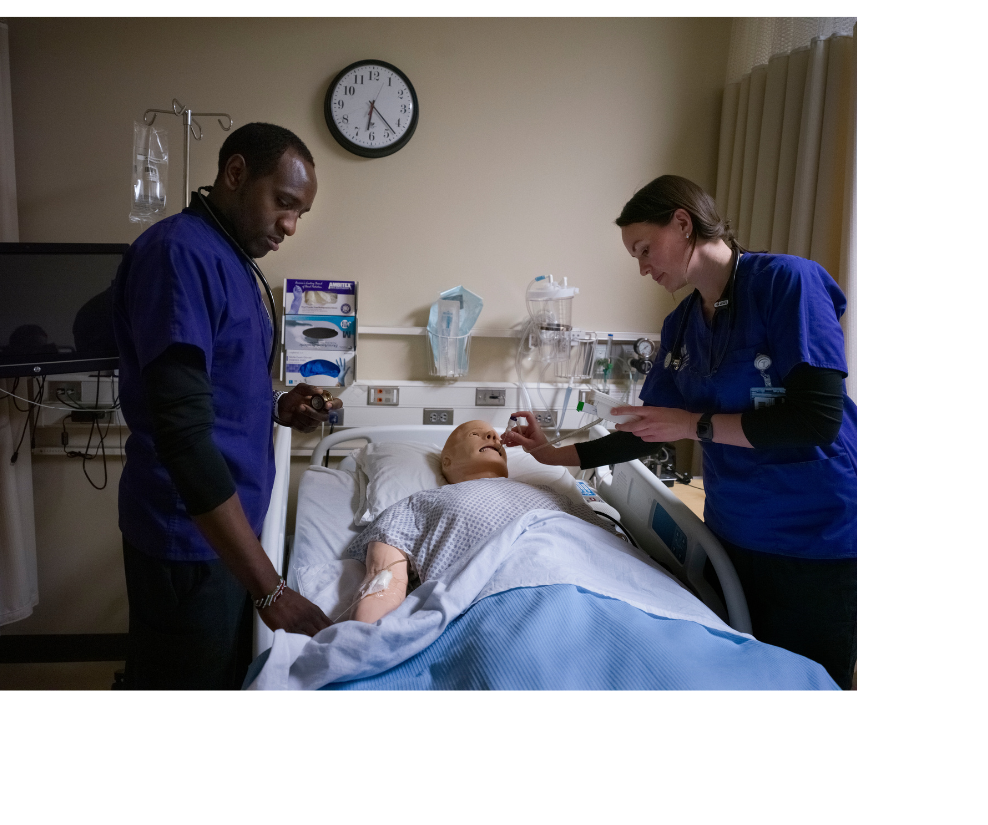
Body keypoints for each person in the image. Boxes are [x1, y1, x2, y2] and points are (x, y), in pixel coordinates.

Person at [502, 174, 857, 689]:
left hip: (816, 534)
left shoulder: (788, 283)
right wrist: (552, 454)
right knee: (751, 681)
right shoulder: (683, 326)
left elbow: (816, 419)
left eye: (645, 250)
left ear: (684, 223)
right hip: (734, 529)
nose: (644, 268)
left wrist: (694, 425)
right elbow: (647, 429)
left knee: (812, 682)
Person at [113, 122, 340, 689]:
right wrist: (271, 588)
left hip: (225, 531)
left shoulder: (233, 259)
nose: (290, 226)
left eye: (300, 214)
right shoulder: (179, 255)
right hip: (189, 538)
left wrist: (281, 404)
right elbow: (184, 435)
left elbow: (221, 381)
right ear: (235, 174)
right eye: (283, 203)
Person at [345, 420, 614, 623]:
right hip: (494, 608)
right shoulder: (417, 504)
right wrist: (363, 643)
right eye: (476, 434)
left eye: (495, 436)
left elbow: (612, 553)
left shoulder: (554, 496)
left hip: (592, 598)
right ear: (446, 461)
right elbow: (382, 583)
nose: (493, 437)